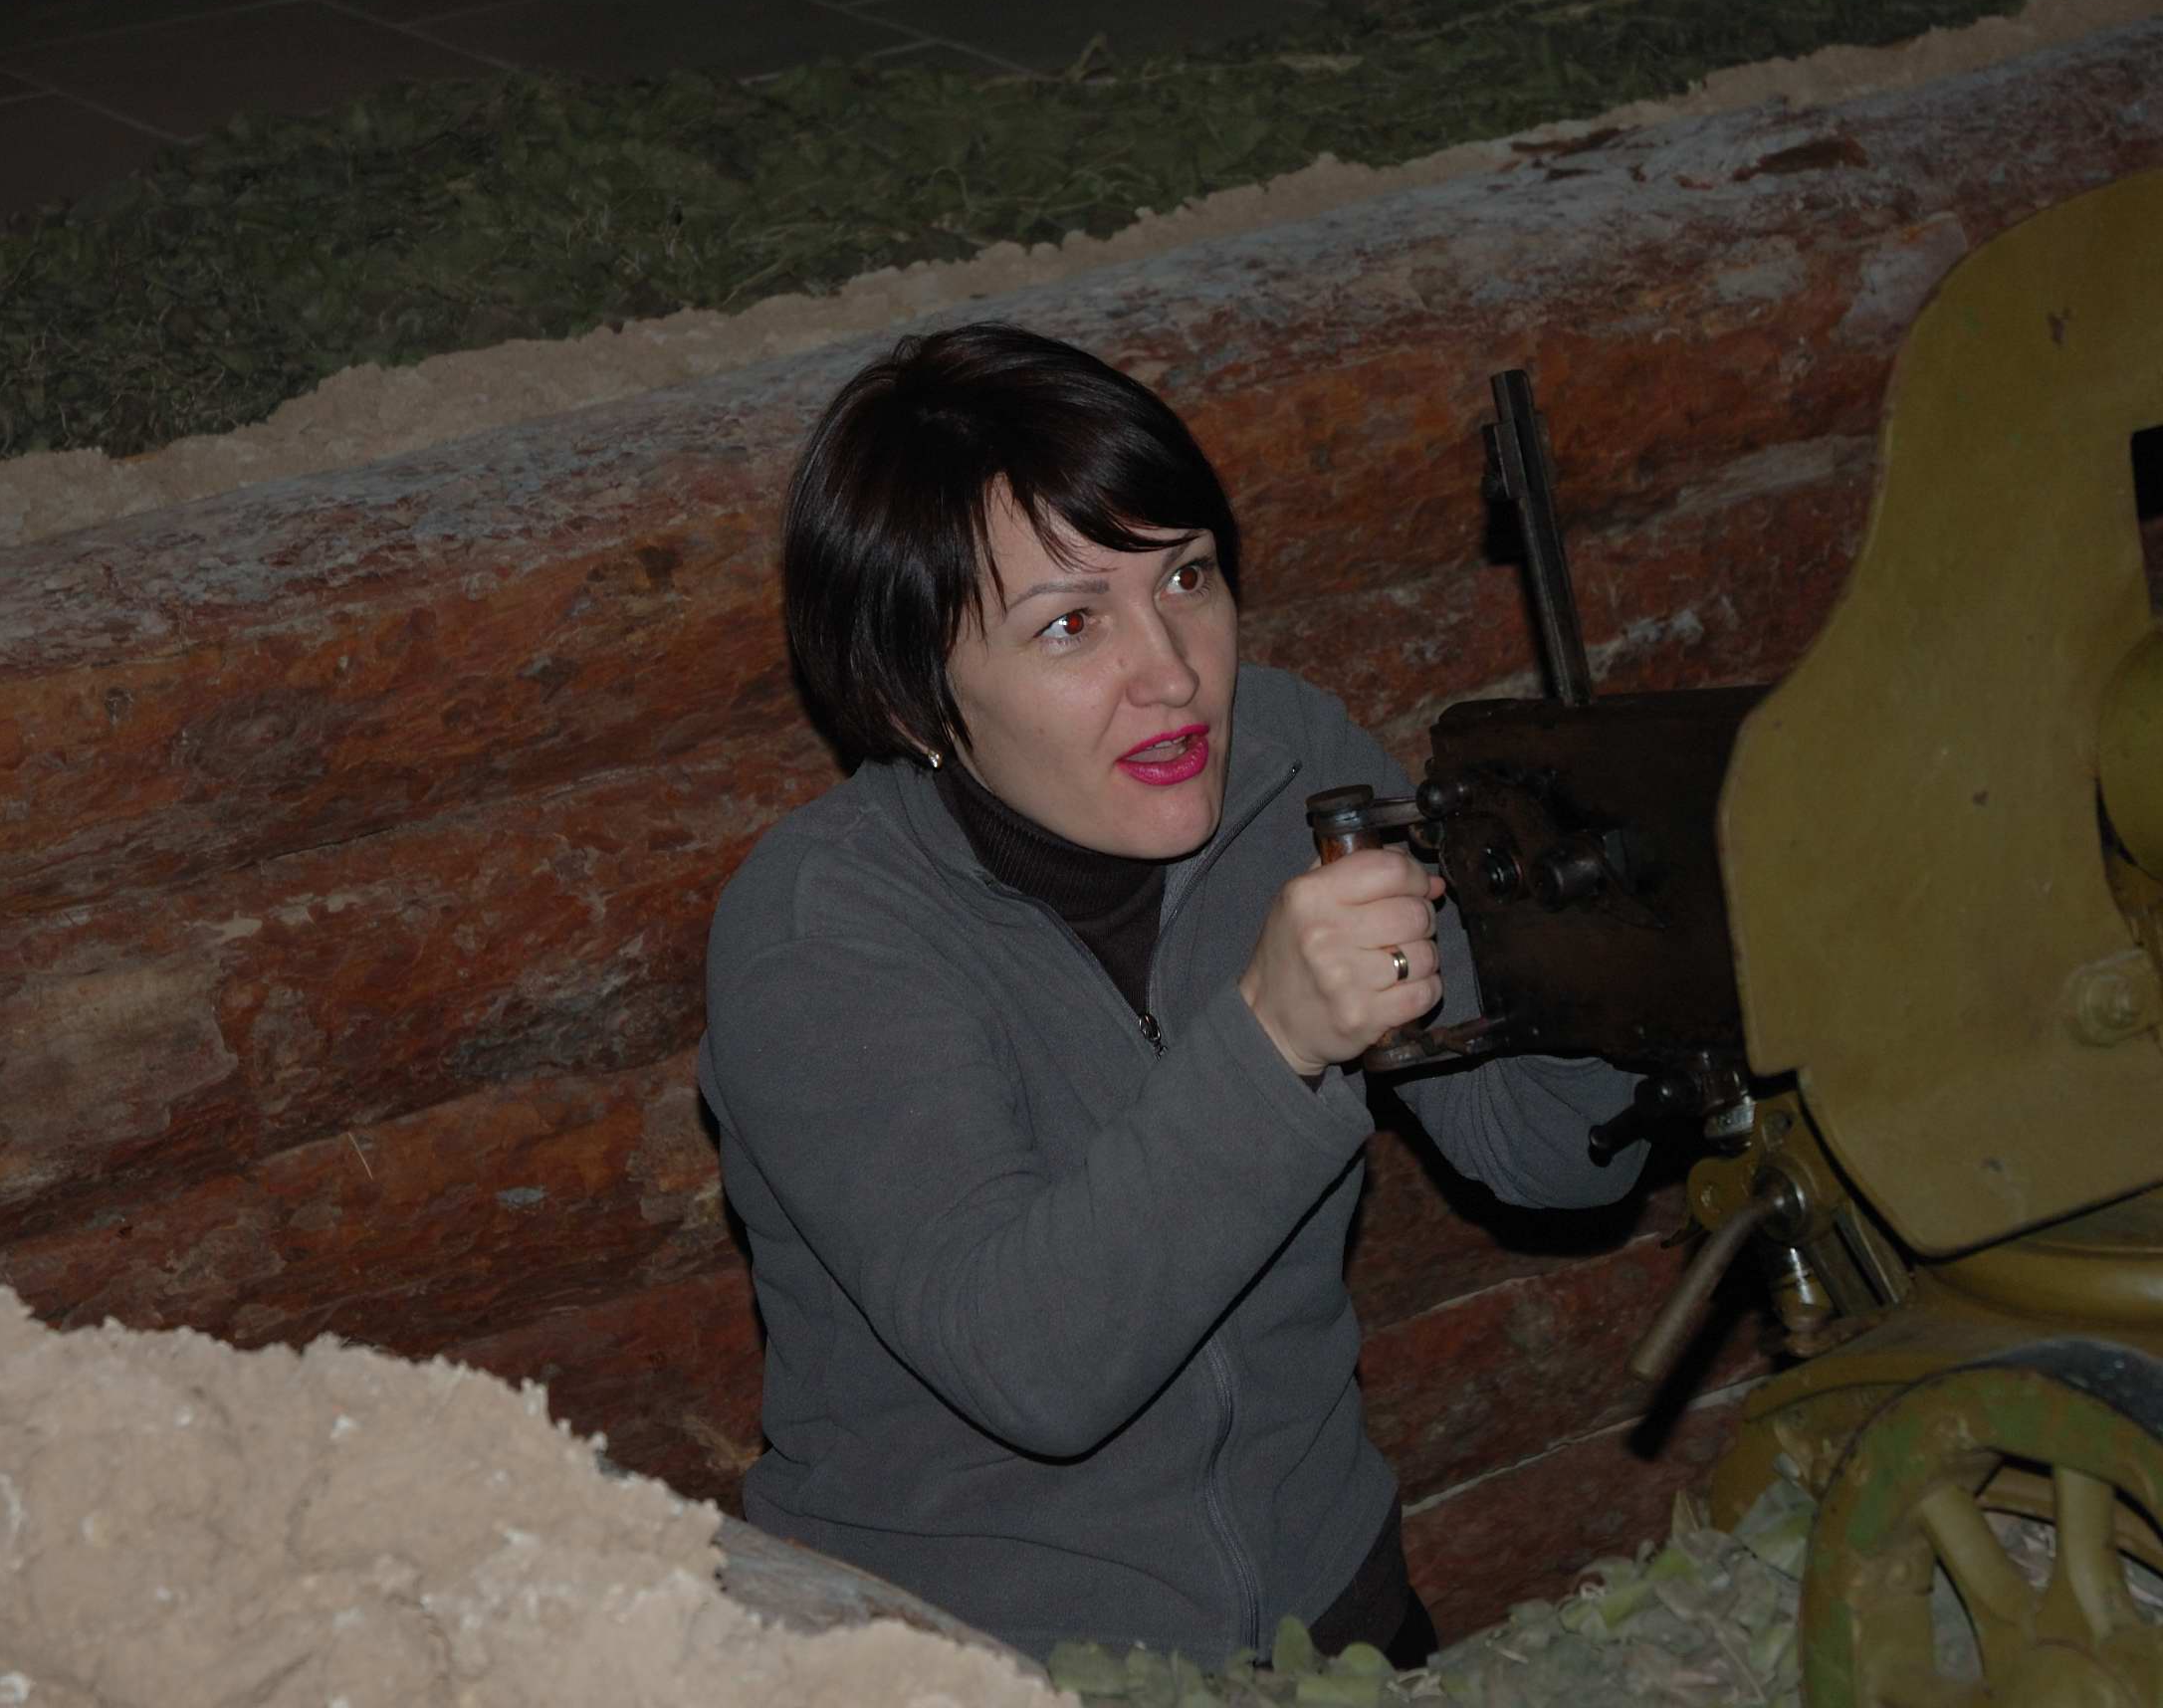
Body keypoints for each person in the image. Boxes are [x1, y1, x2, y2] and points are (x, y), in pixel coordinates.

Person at [698, 323, 1648, 1670]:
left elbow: (1549, 1157)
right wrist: (1272, 1042)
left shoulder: (1295, 765)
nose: (1175, 673)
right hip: (980, 1666)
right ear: (913, 702)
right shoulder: (822, 938)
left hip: (1335, 1633)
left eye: (1188, 578)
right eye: (1070, 624)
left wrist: (1611, 960)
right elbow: (1034, 1368)